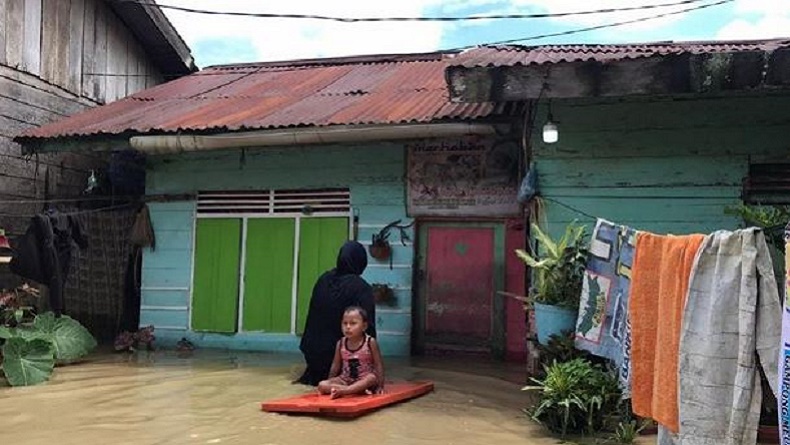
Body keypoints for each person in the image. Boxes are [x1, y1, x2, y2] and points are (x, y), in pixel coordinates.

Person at [296, 240, 376, 386]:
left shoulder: (323, 279)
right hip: (340, 358)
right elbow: (368, 328)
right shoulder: (361, 288)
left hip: (312, 354)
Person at [318, 306, 384, 398]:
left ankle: (346, 390)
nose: (348, 327)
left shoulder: (370, 342)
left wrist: (380, 386)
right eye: (345, 323)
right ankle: (352, 390)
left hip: (364, 380)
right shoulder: (341, 343)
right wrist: (330, 381)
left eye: (353, 323)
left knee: (372, 378)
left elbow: (378, 365)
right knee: (322, 385)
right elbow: (335, 365)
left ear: (364, 326)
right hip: (345, 380)